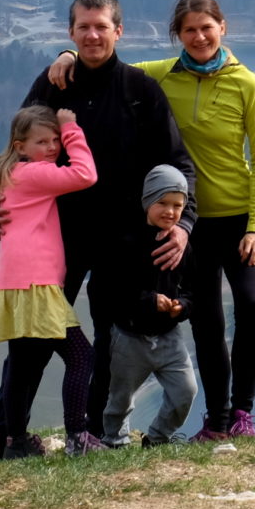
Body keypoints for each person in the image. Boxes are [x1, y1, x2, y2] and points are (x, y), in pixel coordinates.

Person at [0, 0, 198, 460]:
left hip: (123, 238)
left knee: (110, 343)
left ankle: (89, 435)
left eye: (101, 27)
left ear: (118, 31)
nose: (91, 35)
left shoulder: (140, 91)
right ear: (70, 32)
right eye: (82, 27)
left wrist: (183, 223)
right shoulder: (52, 84)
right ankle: (0, 433)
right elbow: (17, 147)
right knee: (30, 343)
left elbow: (179, 163)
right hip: (56, 238)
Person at [48, 0, 255, 439]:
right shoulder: (160, 75)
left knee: (251, 305)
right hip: (191, 222)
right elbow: (108, 63)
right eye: (189, 30)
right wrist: (69, 52)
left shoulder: (247, 82)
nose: (199, 36)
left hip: (240, 217)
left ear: (222, 28)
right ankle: (217, 420)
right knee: (208, 322)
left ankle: (242, 413)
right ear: (177, 35)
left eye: (207, 28)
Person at [0, 106, 96, 459]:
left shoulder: (9, 173)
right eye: (42, 141)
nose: (52, 147)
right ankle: (78, 437)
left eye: (55, 141)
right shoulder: (36, 174)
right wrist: (72, 129)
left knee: (22, 365)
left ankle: (15, 443)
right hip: (37, 282)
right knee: (81, 356)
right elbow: (84, 175)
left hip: (14, 281)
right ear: (20, 145)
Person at [98, 165, 198, 447]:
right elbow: (113, 290)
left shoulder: (181, 245)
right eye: (162, 203)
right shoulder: (126, 241)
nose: (170, 211)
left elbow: (193, 289)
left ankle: (157, 438)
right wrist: (149, 301)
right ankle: (115, 440)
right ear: (147, 202)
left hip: (169, 337)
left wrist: (183, 306)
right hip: (130, 337)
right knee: (121, 397)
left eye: (178, 205)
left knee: (186, 391)